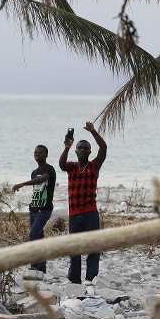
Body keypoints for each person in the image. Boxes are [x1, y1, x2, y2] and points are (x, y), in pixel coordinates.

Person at [59, 121, 107, 284]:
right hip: (74, 214)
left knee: (93, 246)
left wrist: (93, 131)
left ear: (89, 151)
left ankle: (90, 278)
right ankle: (74, 279)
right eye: (79, 148)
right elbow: (61, 165)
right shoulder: (71, 167)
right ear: (76, 150)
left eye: (85, 148)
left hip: (90, 213)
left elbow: (104, 148)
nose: (82, 150)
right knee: (75, 247)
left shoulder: (94, 166)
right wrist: (66, 147)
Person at [12, 145, 56, 276]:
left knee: (33, 235)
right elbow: (36, 185)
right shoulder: (33, 172)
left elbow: (41, 179)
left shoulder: (50, 169)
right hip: (34, 210)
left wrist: (23, 183)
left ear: (46, 155)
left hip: (44, 210)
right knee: (39, 237)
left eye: (40, 152)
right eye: (35, 152)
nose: (37, 154)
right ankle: (41, 268)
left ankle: (34, 266)